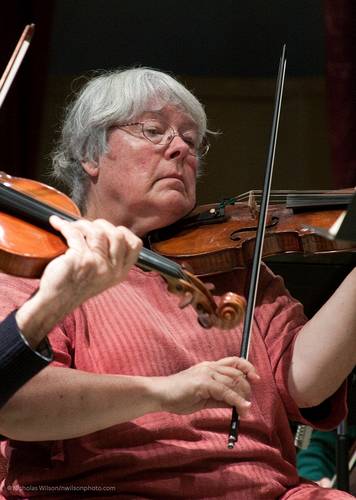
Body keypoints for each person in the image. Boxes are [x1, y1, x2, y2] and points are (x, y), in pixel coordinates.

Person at [0, 67, 354, 499]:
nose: (181, 148)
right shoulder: (42, 262)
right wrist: (165, 392)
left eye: (191, 139)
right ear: (90, 156)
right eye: (154, 130)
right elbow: (17, 405)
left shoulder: (233, 269)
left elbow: (307, 384)